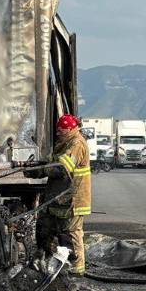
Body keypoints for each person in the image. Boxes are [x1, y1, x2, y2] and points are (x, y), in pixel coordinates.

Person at [47, 114, 92, 274]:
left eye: (61, 130)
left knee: (73, 233)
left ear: (70, 129)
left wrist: (43, 170)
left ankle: (77, 269)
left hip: (74, 198)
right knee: (63, 232)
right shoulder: (67, 142)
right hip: (66, 197)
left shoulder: (76, 144)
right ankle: (66, 263)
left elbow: (62, 168)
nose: (58, 133)